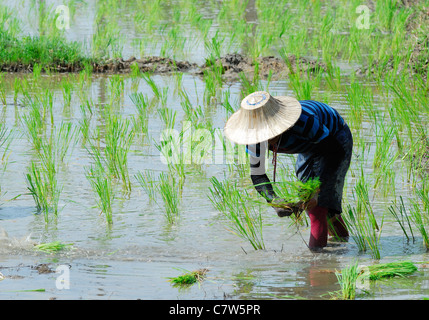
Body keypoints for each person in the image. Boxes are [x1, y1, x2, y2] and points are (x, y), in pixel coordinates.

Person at [224, 91, 353, 250]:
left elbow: (333, 150)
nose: (264, 141)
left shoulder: (305, 122)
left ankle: (317, 264)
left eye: (269, 135)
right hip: (310, 146)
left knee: (317, 206)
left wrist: (318, 189)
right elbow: (257, 174)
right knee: (319, 207)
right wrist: (273, 199)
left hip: (335, 139)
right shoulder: (254, 139)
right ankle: (343, 244)